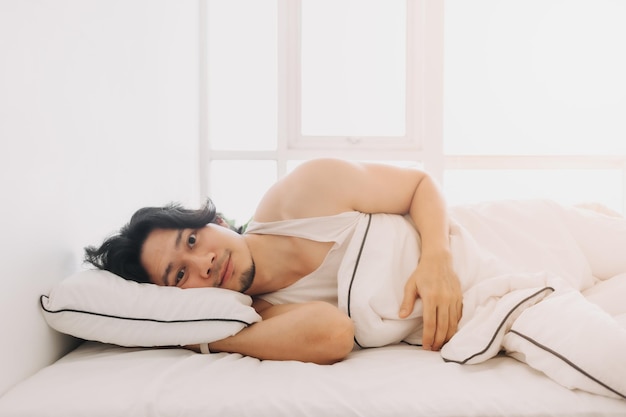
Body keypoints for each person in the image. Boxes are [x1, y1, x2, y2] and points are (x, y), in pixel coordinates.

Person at [85, 158, 463, 364]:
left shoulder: (304, 192)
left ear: (216, 221)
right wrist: (196, 337)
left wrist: (437, 259)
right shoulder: (258, 315)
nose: (206, 262)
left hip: (463, 242)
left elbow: (419, 184)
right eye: (180, 274)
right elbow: (334, 334)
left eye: (194, 239)